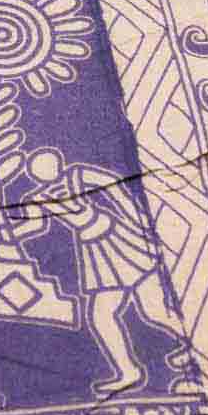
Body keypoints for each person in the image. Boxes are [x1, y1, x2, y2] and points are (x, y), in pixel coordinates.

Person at [21, 146, 185, 395]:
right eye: (37, 170)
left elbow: (116, 187)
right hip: (94, 250)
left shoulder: (78, 174)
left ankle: (188, 349)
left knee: (149, 311)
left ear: (57, 163)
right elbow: (33, 227)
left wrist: (137, 219)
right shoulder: (39, 196)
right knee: (105, 314)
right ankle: (129, 371)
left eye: (45, 165)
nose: (42, 172)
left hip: (119, 239)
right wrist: (3, 233)